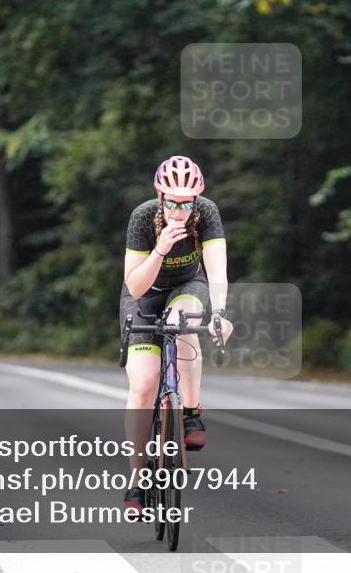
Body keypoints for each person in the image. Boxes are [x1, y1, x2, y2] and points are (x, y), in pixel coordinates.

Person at [120, 156, 233, 514]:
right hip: (144, 292)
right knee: (142, 386)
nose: (180, 211)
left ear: (197, 200)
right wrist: (161, 249)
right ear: (160, 197)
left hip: (188, 286)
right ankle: (137, 482)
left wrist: (220, 313)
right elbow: (136, 286)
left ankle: (191, 413)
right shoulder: (142, 217)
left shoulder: (207, 214)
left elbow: (216, 269)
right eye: (172, 203)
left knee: (182, 321)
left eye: (187, 203)